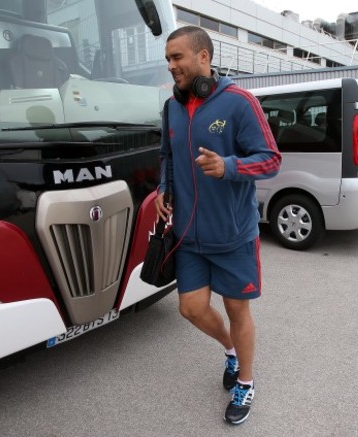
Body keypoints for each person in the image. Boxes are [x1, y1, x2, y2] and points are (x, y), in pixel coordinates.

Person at [156, 26, 281, 426]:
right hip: (188, 236)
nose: (171, 65)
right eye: (168, 59)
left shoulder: (239, 102)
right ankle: (229, 351)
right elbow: (167, 156)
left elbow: (271, 159)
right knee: (190, 308)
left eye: (178, 57)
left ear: (204, 58)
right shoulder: (171, 107)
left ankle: (245, 381)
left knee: (236, 308)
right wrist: (164, 188)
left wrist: (228, 166)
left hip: (232, 235)